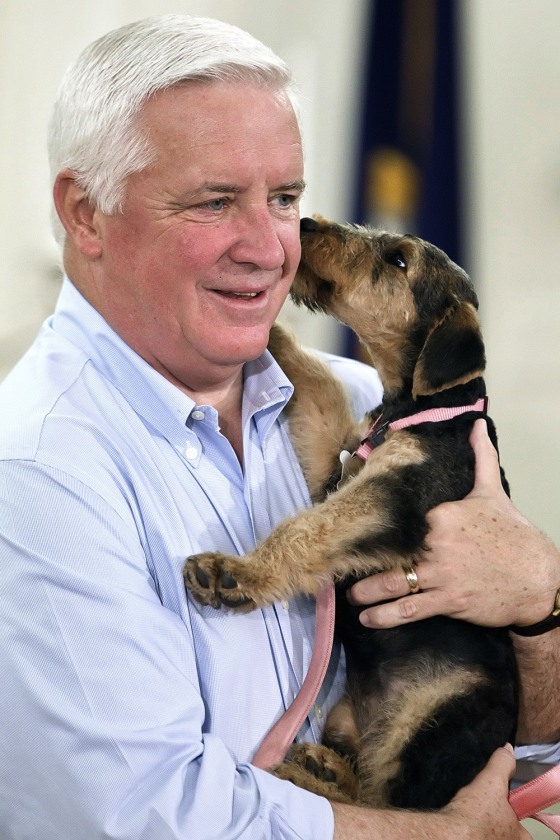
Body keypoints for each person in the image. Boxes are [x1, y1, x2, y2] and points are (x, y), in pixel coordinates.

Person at [0, 13, 554, 839]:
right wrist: (450, 836)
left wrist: (540, 609)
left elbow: (537, 753)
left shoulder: (363, 399)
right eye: (215, 201)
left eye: (287, 198)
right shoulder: (35, 473)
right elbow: (146, 817)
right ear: (85, 214)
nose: (271, 248)